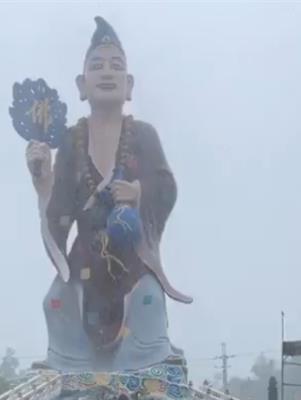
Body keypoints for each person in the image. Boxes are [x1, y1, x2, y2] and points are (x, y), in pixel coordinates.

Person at [27, 16, 190, 373]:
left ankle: (145, 360)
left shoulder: (144, 135)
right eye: (96, 66)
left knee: (147, 299)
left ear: (128, 84)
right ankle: (69, 363)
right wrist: (43, 183)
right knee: (55, 300)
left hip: (131, 258)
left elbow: (167, 186)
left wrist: (138, 191)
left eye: (116, 67)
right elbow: (61, 210)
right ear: (81, 84)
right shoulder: (71, 140)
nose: (106, 72)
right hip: (85, 258)